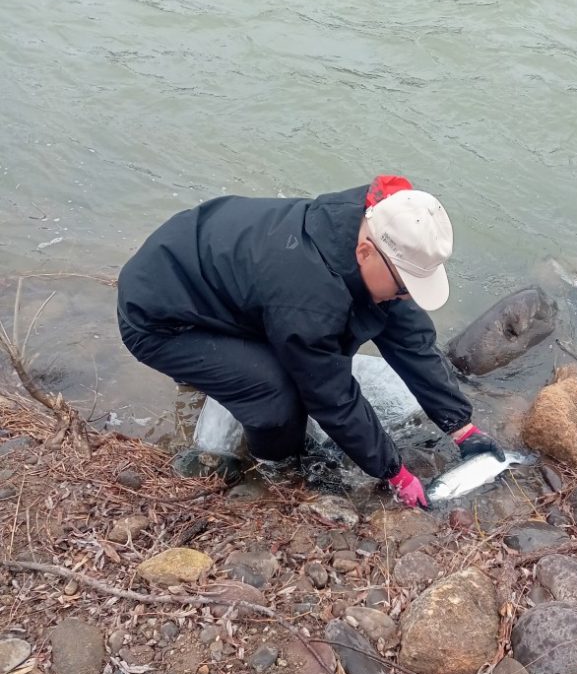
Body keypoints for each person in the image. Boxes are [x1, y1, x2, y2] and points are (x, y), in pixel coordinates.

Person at [116, 175, 504, 507]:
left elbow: (410, 339)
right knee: (276, 399)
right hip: (159, 320)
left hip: (210, 281)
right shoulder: (309, 297)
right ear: (366, 253)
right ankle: (274, 470)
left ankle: (221, 374)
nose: (406, 297)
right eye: (404, 287)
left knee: (321, 345)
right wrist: (394, 472)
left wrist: (461, 426)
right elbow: (330, 395)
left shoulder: (368, 224)